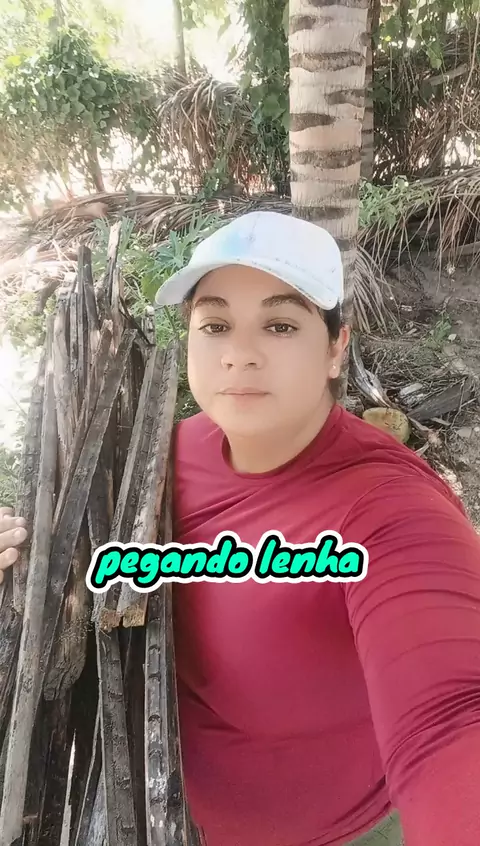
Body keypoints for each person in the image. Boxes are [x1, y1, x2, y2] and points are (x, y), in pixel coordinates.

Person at [2, 210, 480, 846]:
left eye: (280, 325)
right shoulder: (158, 458)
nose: (240, 354)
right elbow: (85, 592)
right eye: (216, 325)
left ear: (336, 347)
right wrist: (22, 562)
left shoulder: (386, 507)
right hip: (164, 819)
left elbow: (450, 717)